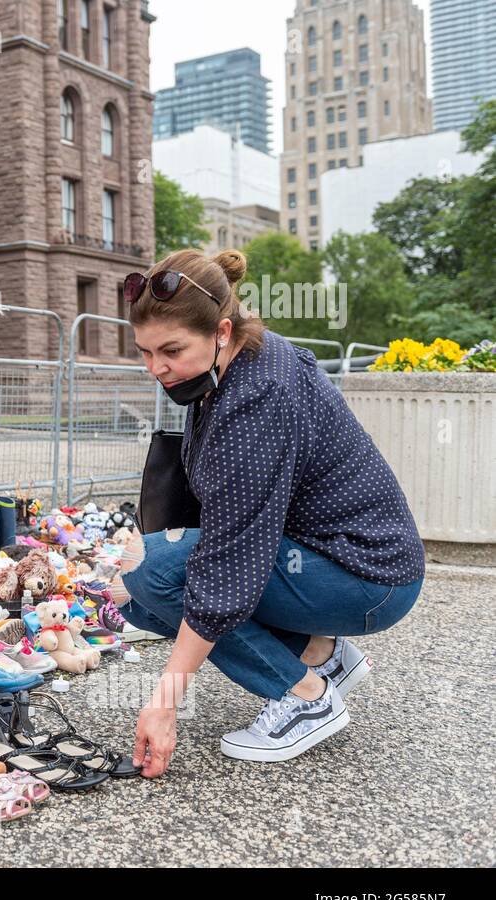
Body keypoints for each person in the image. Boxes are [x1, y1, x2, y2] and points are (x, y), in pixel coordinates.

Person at [107, 248, 425, 776]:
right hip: (356, 561)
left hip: (369, 579)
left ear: (222, 330)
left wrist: (164, 701)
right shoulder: (244, 361)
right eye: (144, 351)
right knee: (141, 600)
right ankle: (320, 653)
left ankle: (305, 698)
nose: (155, 368)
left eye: (170, 350)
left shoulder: (257, 400)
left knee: (156, 575)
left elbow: (228, 570)